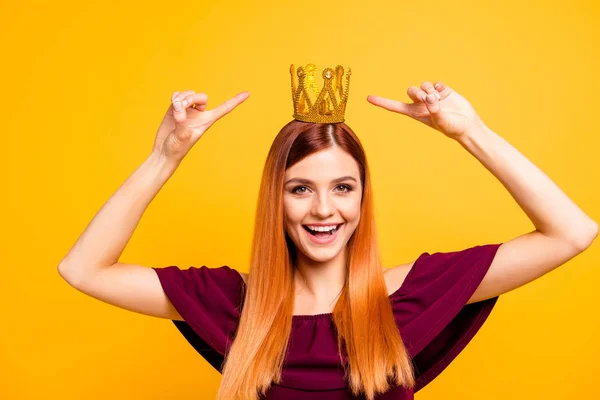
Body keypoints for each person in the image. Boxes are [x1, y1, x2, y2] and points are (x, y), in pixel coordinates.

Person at [58, 64, 598, 400]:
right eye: (300, 189)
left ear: (363, 197)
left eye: (343, 187)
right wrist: (163, 157)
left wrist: (472, 134)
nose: (323, 209)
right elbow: (82, 269)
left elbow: (571, 232)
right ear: (276, 197)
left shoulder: (411, 295)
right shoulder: (234, 307)